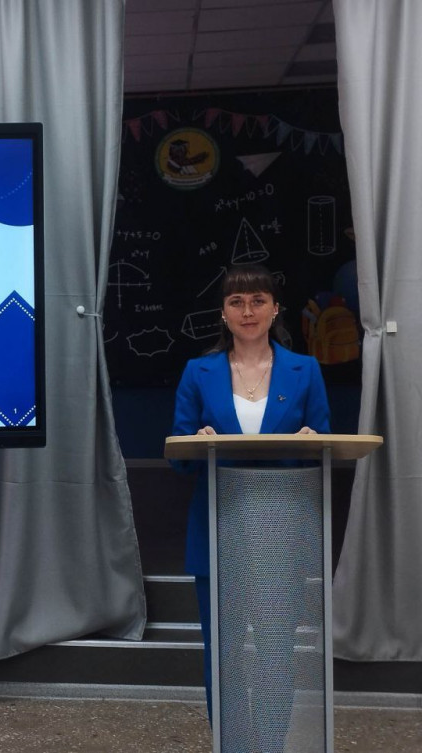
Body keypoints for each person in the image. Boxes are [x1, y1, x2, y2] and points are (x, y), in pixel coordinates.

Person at [171, 264, 330, 751]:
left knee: (276, 653)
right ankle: (232, 744)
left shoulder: (305, 370)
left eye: (258, 300)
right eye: (236, 302)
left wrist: (312, 439)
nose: (248, 311)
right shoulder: (198, 372)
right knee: (223, 654)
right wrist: (196, 440)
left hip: (280, 534)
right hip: (218, 531)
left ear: (275, 309)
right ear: (223, 312)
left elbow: (325, 445)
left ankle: (271, 744)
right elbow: (178, 457)